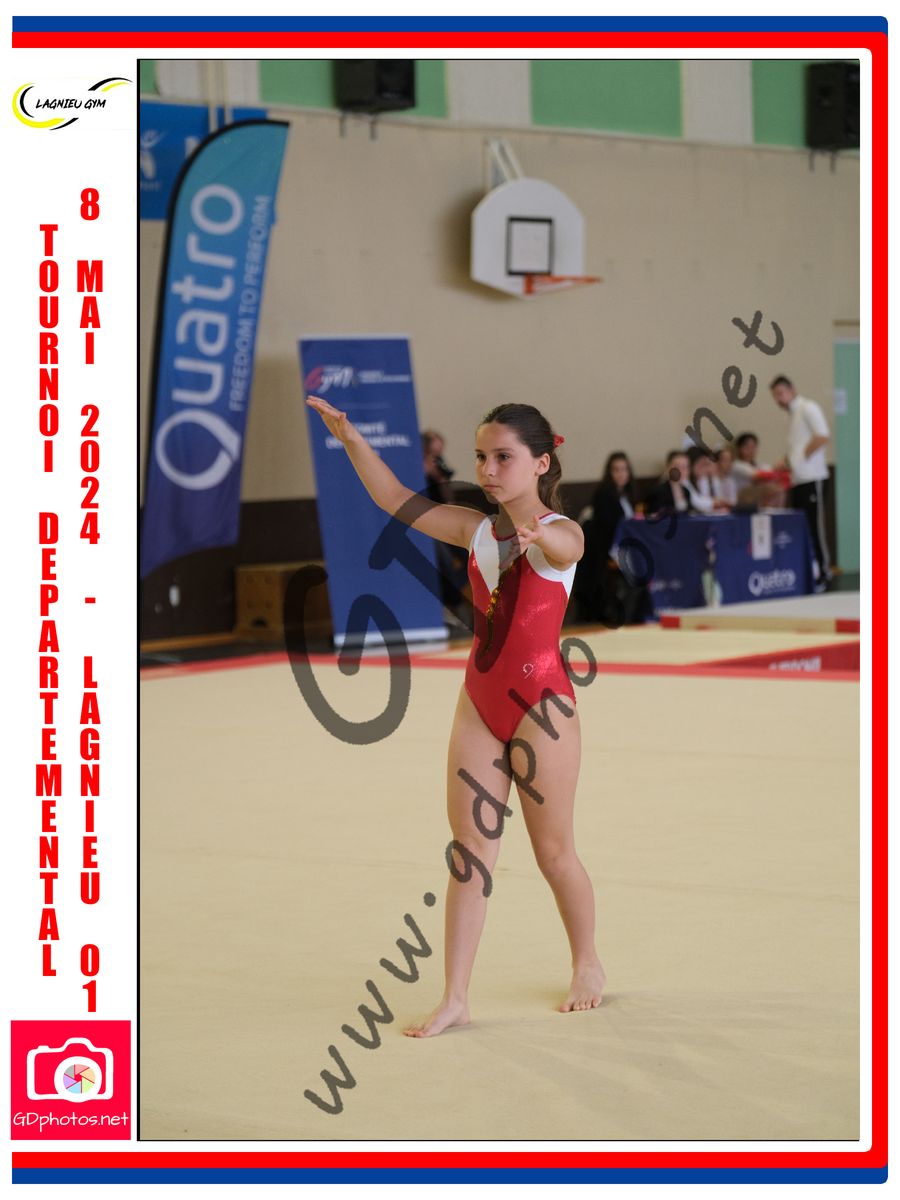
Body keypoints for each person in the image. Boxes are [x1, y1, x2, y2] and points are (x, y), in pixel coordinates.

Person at [306, 395, 607, 1036]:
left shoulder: (561, 529)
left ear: (541, 462)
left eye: (504, 457)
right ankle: (456, 998)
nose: (488, 470)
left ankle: (587, 962)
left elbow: (565, 547)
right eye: (480, 457)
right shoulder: (475, 529)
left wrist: (539, 534)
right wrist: (350, 437)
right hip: (480, 701)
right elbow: (395, 500)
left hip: (543, 707)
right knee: (469, 851)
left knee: (554, 853)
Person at [770, 375, 833, 591]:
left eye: (781, 393)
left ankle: (824, 573)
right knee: (802, 527)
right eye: (775, 395)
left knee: (816, 528)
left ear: (792, 390)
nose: (779, 399)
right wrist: (787, 461)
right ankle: (808, 572)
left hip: (813, 478)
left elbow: (822, 436)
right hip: (797, 480)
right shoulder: (791, 416)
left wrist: (802, 458)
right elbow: (797, 447)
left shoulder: (808, 407)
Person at [575, 452, 648, 624]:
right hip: (607, 550)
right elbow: (608, 528)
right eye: (616, 470)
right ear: (610, 473)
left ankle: (636, 617)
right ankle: (626, 617)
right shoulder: (603, 494)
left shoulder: (629, 495)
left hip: (626, 548)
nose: (621, 474)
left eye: (624, 469)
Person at [422, 430, 469, 625]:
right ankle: (451, 604)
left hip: (445, 521)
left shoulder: (438, 466)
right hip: (424, 525)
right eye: (434, 451)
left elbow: (449, 499)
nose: (438, 455)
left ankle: (448, 597)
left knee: (471, 555)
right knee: (445, 561)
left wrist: (440, 478)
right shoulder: (413, 467)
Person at [642, 450, 698, 516]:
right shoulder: (657, 492)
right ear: (668, 467)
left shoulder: (686, 491)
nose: (682, 471)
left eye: (685, 467)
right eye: (678, 466)